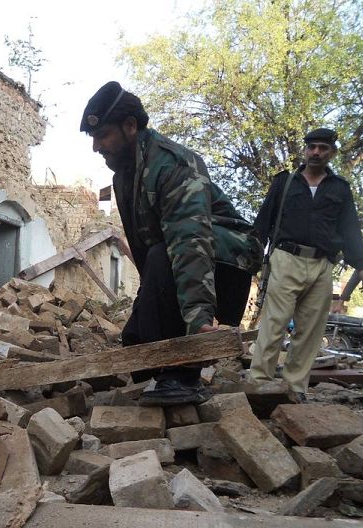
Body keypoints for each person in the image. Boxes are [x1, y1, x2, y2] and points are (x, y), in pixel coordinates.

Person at [80, 82, 263, 405]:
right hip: (176, 257)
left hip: (225, 264)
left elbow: (189, 244)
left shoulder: (172, 164)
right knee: (137, 343)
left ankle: (183, 376)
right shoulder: (125, 174)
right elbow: (146, 251)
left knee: (164, 255)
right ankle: (163, 372)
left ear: (130, 126)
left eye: (103, 135)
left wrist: (199, 323)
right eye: (93, 138)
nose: (96, 147)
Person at [249, 128, 363, 395]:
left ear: (332, 153)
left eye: (323, 148)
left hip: (322, 265)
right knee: (274, 323)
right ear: (305, 150)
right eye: (312, 147)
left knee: (310, 330)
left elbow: (350, 229)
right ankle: (258, 384)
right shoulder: (284, 182)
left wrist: (362, 264)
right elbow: (263, 221)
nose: (316, 152)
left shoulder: (340, 188)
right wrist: (253, 259)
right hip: (285, 258)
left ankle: (295, 389)